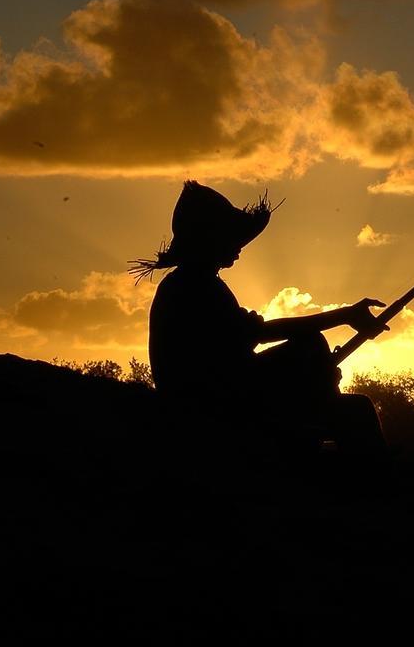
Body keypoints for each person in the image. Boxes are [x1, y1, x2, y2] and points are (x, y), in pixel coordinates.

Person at [132, 181, 389, 454]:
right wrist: (345, 316)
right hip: (213, 407)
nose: (239, 246)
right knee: (342, 390)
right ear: (211, 238)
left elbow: (245, 345)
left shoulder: (191, 284)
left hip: (215, 398)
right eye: (230, 236)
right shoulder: (195, 287)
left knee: (311, 349)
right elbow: (257, 337)